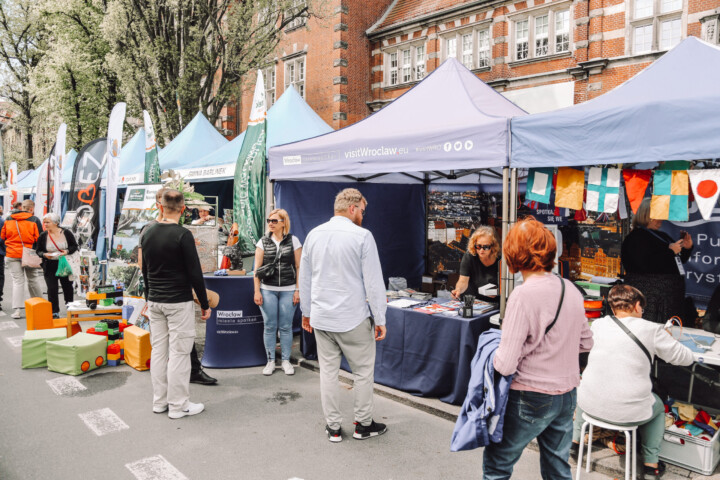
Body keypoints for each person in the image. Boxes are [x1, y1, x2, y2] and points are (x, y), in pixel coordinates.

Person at [483, 217, 593, 480]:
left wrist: (490, 353)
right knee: (557, 467)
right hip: (566, 393)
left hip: (529, 394)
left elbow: (506, 363)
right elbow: (586, 343)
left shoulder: (523, 294)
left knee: (498, 465)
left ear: (513, 252)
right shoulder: (571, 290)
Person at [572, 285, 694, 479]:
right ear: (637, 306)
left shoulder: (599, 325)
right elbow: (685, 358)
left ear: (613, 308)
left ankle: (575, 443)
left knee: (589, 387)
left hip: (589, 407)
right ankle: (650, 464)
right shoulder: (653, 330)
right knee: (659, 408)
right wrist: (666, 339)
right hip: (627, 413)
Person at [300, 188, 388, 443]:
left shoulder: (314, 234)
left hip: (322, 317)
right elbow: (374, 281)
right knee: (362, 372)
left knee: (327, 372)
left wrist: (306, 312)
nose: (363, 214)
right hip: (352, 317)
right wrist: (380, 318)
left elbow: (305, 278)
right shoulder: (362, 236)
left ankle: (333, 427)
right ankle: (363, 424)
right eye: (362, 210)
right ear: (352, 208)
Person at [141, 189, 211, 419]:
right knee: (179, 353)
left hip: (155, 300)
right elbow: (195, 273)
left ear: (160, 206)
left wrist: (148, 297)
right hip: (178, 301)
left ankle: (160, 402)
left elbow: (145, 270)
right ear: (183, 209)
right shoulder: (183, 234)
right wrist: (204, 303)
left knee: (159, 352)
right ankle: (178, 405)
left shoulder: (147, 232)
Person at [622, 197, 693, 324]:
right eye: (657, 215)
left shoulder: (662, 236)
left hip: (668, 298)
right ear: (646, 215)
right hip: (651, 298)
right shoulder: (636, 237)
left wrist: (686, 249)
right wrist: (670, 252)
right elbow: (645, 264)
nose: (661, 219)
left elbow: (676, 261)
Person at [253, 208, 302, 376]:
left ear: (283, 223)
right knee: (270, 326)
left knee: (286, 326)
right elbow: (256, 270)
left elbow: (299, 267)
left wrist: (298, 290)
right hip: (268, 289)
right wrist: (257, 291)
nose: (271, 224)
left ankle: (286, 361)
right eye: (269, 221)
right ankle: (271, 361)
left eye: (274, 221)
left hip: (288, 289)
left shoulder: (293, 241)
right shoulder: (263, 242)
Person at [1, 201, 44, 318]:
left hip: (12, 253)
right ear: (31, 209)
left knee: (17, 281)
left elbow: (2, 237)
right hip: (29, 253)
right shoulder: (34, 220)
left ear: (22, 207)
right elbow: (39, 238)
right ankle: (40, 306)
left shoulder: (9, 219)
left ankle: (17, 310)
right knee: (33, 279)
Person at [35, 213, 78, 317]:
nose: (45, 224)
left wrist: (66, 251)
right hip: (49, 264)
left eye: (47, 222)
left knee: (67, 287)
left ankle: (70, 307)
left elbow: (74, 246)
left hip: (64, 263)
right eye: (44, 222)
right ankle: (54, 312)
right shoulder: (43, 235)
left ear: (56, 223)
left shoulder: (66, 233)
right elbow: (38, 251)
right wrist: (45, 254)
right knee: (52, 288)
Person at [452, 225, 500, 302]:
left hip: (495, 303)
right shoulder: (469, 256)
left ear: (493, 246)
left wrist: (499, 292)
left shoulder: (500, 260)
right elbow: (463, 281)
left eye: (486, 247)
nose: (481, 250)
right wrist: (458, 290)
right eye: (478, 246)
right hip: (473, 301)